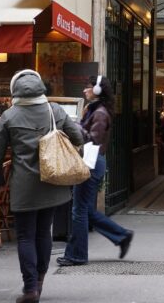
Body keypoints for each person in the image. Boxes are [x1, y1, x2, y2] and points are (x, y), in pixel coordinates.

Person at [0, 70, 84, 303]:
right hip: (52, 182)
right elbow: (79, 138)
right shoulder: (56, 110)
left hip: (24, 187)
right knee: (44, 232)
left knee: (25, 236)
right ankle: (40, 282)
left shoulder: (9, 116)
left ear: (15, 90)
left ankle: (30, 288)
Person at [57, 75, 134, 266]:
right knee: (86, 210)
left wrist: (73, 126)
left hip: (90, 163)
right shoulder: (94, 109)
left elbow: (94, 140)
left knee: (79, 211)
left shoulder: (99, 113)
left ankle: (77, 255)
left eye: (88, 87)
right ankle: (122, 235)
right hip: (92, 162)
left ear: (98, 90)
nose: (84, 90)